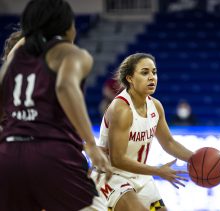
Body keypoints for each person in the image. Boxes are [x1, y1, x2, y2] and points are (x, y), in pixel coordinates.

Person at [0, 0, 112, 210]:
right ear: (68, 26)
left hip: (9, 156)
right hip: (52, 153)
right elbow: (65, 86)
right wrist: (90, 145)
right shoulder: (72, 53)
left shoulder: (13, 64)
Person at [93, 53, 194, 211]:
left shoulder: (156, 106)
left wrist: (195, 159)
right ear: (130, 78)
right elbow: (117, 159)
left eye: (154, 72)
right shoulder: (121, 109)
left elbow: (168, 142)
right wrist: (158, 171)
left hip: (140, 176)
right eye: (145, 72)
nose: (152, 77)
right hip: (112, 175)